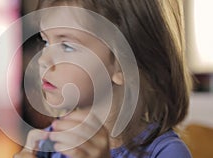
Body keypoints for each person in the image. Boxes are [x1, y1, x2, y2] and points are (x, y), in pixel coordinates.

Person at [15, 0, 192, 157]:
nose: (43, 60)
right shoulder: (49, 143)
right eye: (45, 42)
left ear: (123, 65)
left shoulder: (166, 152)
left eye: (67, 46)